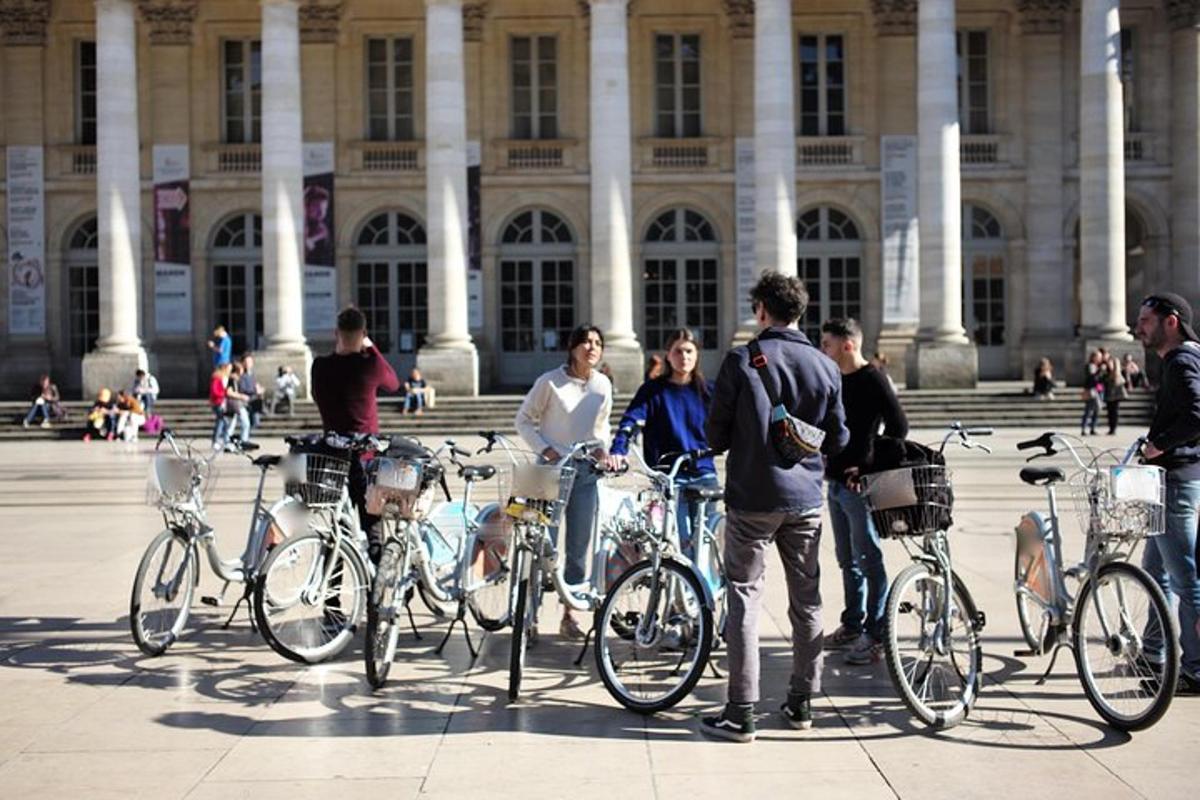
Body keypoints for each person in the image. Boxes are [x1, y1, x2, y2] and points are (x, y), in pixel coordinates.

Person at [700, 271, 848, 742]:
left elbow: (715, 435)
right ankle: (802, 702)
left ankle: (741, 710)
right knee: (807, 601)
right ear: (800, 313)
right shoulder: (826, 366)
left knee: (745, 598)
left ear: (761, 310)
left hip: (752, 497)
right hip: (805, 498)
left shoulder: (743, 360)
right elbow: (839, 436)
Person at [819, 318, 908, 666]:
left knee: (869, 558)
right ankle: (852, 624)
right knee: (847, 559)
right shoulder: (835, 379)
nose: (822, 349)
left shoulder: (872, 377)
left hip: (859, 484)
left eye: (827, 343)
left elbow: (899, 426)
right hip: (836, 481)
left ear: (848, 345)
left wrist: (870, 466)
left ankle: (877, 633)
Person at [515, 324, 613, 641]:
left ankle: (569, 614)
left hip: (585, 474)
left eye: (598, 343)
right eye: (586, 341)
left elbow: (601, 427)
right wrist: (546, 450)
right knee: (539, 546)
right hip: (546, 472)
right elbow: (524, 420)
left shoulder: (603, 385)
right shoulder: (549, 382)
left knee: (578, 549)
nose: (592, 347)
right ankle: (528, 615)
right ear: (572, 347)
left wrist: (603, 452)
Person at [1134, 292, 1200, 696]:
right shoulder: (1188, 357)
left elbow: (1197, 412)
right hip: (1173, 479)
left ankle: (1195, 666)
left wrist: (1161, 444)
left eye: (1145, 320)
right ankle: (1152, 652)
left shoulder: (1180, 361)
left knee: (1186, 579)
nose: (1138, 326)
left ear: (1170, 321)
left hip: (1175, 480)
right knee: (1154, 571)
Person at [609, 328, 717, 562]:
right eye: (678, 351)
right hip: (669, 476)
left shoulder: (709, 391)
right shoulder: (653, 390)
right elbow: (631, 420)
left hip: (704, 473)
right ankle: (684, 591)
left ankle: (704, 593)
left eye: (689, 351)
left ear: (697, 354)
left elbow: (731, 424)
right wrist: (619, 449)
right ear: (668, 355)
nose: (684, 357)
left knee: (704, 541)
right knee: (678, 541)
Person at [311, 306, 401, 563]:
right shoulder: (369, 364)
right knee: (372, 529)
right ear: (363, 334)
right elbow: (394, 383)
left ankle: (333, 599)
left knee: (336, 529)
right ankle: (376, 594)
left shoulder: (320, 367)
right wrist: (371, 347)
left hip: (331, 458)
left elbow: (317, 397)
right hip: (364, 458)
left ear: (335, 332)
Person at [224, 362, 253, 445]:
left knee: (232, 425)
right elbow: (229, 392)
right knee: (244, 424)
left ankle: (230, 443)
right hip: (235, 405)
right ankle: (240, 443)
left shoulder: (237, 379)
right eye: (241, 369)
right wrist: (241, 396)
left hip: (237, 405)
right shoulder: (233, 379)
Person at [1102, 352, 1126, 435]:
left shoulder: (1112, 362)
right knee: (1111, 410)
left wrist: (1108, 366)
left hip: (1114, 390)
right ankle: (1111, 428)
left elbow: (1114, 374)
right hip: (1110, 390)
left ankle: (1113, 428)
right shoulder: (1105, 364)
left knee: (1113, 410)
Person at [238, 353, 264, 431]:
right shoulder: (242, 375)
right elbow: (242, 389)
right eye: (247, 362)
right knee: (250, 423)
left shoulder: (252, 375)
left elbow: (255, 386)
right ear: (243, 363)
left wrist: (259, 389)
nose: (249, 364)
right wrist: (255, 390)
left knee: (254, 423)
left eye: (250, 362)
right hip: (247, 402)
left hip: (255, 402)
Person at [1081, 350, 1104, 435]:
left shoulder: (1099, 366)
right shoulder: (1090, 366)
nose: (1100, 358)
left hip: (1099, 389)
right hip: (1091, 390)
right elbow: (1092, 377)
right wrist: (1099, 371)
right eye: (1098, 357)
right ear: (1093, 357)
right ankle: (1083, 428)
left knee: (1096, 410)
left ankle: (1092, 428)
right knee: (1088, 410)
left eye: (1100, 357)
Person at [209, 363, 232, 447]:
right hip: (218, 402)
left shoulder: (225, 378)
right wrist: (224, 393)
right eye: (229, 369)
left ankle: (223, 440)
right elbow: (214, 391)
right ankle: (216, 441)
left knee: (223, 422)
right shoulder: (217, 378)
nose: (230, 371)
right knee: (221, 422)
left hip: (222, 403)